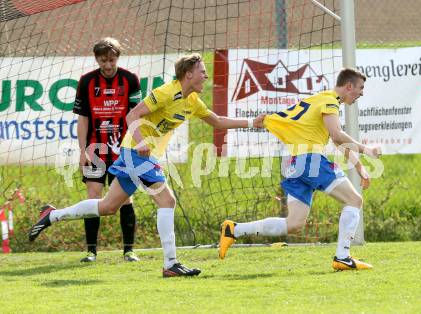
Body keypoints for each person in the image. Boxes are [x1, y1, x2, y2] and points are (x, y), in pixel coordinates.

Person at [29, 53, 266, 277]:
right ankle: (171, 264)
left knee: (109, 206)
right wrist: (142, 141)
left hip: (140, 155)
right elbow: (132, 116)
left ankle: (53, 215)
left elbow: (217, 121)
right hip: (135, 152)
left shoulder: (192, 101)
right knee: (167, 201)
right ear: (188, 75)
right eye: (202, 71)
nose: (206, 75)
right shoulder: (166, 92)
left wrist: (251, 122)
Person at [218, 68, 381, 271]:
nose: (362, 93)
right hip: (310, 159)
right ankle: (343, 257)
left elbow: (337, 141)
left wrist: (359, 166)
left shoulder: (319, 99)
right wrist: (368, 150)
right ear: (349, 86)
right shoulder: (330, 101)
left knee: (294, 223)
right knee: (354, 200)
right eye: (360, 88)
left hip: (294, 163)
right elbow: (338, 135)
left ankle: (234, 229)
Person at [73, 37, 141, 263]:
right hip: (95, 150)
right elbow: (82, 119)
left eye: (112, 60)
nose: (108, 65)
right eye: (103, 61)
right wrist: (82, 150)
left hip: (123, 150)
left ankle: (129, 251)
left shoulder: (130, 80)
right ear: (97, 59)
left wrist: (137, 145)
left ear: (117, 58)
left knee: (125, 198)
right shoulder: (86, 81)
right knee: (93, 196)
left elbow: (136, 117)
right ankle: (91, 251)